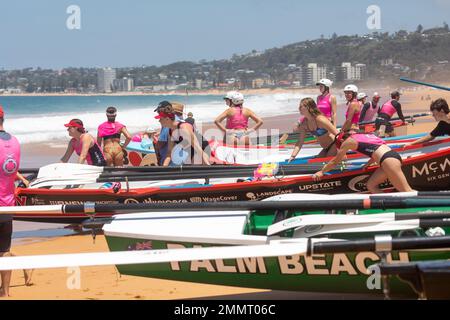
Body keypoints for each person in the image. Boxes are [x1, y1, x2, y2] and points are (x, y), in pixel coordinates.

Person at [313, 131, 414, 194]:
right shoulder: (365, 135)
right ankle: (389, 205)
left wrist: (322, 171)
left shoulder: (348, 141)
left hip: (388, 161)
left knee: (406, 191)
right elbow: (375, 150)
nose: (343, 147)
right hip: (390, 157)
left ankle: (427, 207)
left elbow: (335, 161)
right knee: (371, 186)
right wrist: (368, 164)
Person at [0, 106, 32, 297]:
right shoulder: (15, 142)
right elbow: (11, 170)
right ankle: (5, 292)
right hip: (7, 205)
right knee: (4, 249)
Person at [288, 98, 339, 162]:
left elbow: (337, 134)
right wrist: (293, 156)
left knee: (323, 165)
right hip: (325, 148)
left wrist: (343, 150)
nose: (299, 108)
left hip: (334, 145)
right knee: (317, 162)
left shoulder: (320, 119)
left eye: (301, 106)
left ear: (308, 107)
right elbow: (300, 142)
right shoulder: (304, 124)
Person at [154, 101, 183, 166]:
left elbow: (161, 143)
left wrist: (156, 147)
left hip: (171, 163)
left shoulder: (168, 124)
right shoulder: (178, 121)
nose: (158, 113)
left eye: (159, 111)